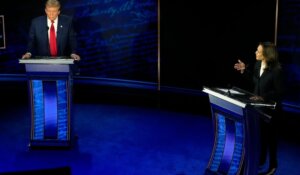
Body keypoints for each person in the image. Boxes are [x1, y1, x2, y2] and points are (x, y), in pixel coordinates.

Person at [234, 42, 283, 175]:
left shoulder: (277, 70)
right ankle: (260, 161)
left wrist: (263, 97)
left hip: (272, 111)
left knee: (271, 139)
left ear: (266, 54)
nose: (255, 52)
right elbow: (255, 81)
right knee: (261, 137)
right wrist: (244, 71)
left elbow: (279, 92)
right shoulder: (257, 65)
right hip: (258, 109)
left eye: (258, 51)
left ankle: (273, 166)